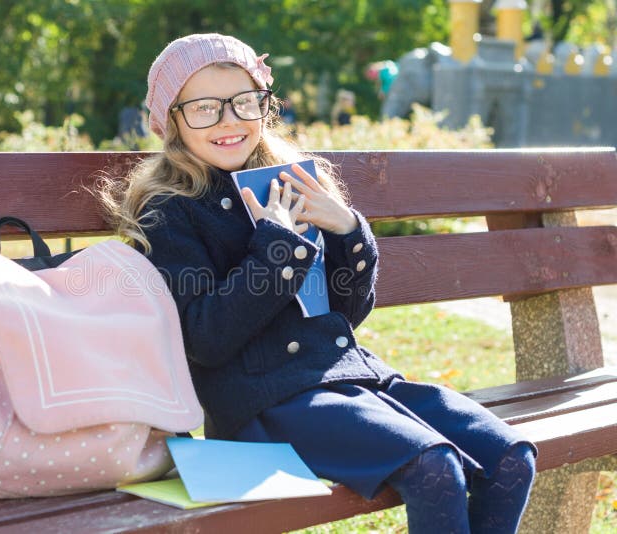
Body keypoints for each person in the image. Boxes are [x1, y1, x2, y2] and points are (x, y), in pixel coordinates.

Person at [98, 33, 536, 534]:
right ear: (171, 120)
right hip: (262, 405)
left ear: (265, 104)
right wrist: (276, 248)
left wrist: (349, 232)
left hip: (350, 380)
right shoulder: (170, 211)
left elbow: (344, 312)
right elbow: (205, 341)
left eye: (244, 102)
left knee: (511, 457)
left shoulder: (286, 182)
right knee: (435, 468)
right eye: (204, 108)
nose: (229, 121)